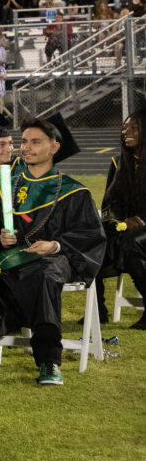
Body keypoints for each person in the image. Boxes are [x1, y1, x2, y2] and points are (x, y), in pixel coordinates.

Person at [0, 115, 106, 386]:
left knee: (45, 272)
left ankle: (49, 361)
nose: (26, 147)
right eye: (23, 141)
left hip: (56, 258)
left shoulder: (73, 190)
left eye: (36, 142)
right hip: (13, 257)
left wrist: (55, 245)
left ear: (54, 148)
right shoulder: (7, 186)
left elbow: (90, 235)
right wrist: (0, 238)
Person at [102, 105, 146, 328]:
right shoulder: (119, 163)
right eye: (124, 128)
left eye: (133, 128)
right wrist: (112, 221)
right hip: (125, 227)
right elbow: (108, 205)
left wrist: (142, 220)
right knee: (91, 238)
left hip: (142, 228)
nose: (126, 132)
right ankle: (98, 309)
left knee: (128, 243)